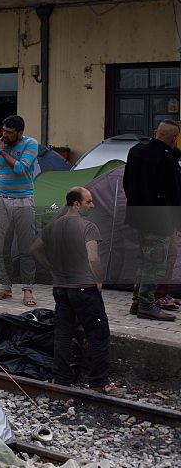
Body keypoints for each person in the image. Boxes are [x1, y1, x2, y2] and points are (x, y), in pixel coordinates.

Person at [29, 187, 124, 395]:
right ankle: (100, 382)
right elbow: (93, 257)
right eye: (89, 202)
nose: (92, 205)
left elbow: (33, 250)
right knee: (99, 334)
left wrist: (51, 269)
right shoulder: (88, 227)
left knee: (63, 334)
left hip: (61, 288)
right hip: (83, 288)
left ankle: (62, 379)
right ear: (76, 204)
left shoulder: (53, 226)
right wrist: (98, 279)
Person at [123, 119, 181, 321]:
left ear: (157, 132)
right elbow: (174, 194)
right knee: (155, 263)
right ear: (174, 138)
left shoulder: (136, 151)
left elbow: (126, 182)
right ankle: (147, 304)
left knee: (144, 260)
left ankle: (137, 301)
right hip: (158, 219)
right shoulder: (166, 159)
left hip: (138, 215)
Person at [0, 115, 40, 306]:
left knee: (26, 247)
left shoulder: (31, 144)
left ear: (20, 133)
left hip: (24, 199)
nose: (4, 135)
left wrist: (5, 153)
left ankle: (28, 289)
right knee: (2, 247)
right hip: (2, 199)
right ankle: (5, 287)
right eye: (3, 131)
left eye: (9, 132)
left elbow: (21, 169)